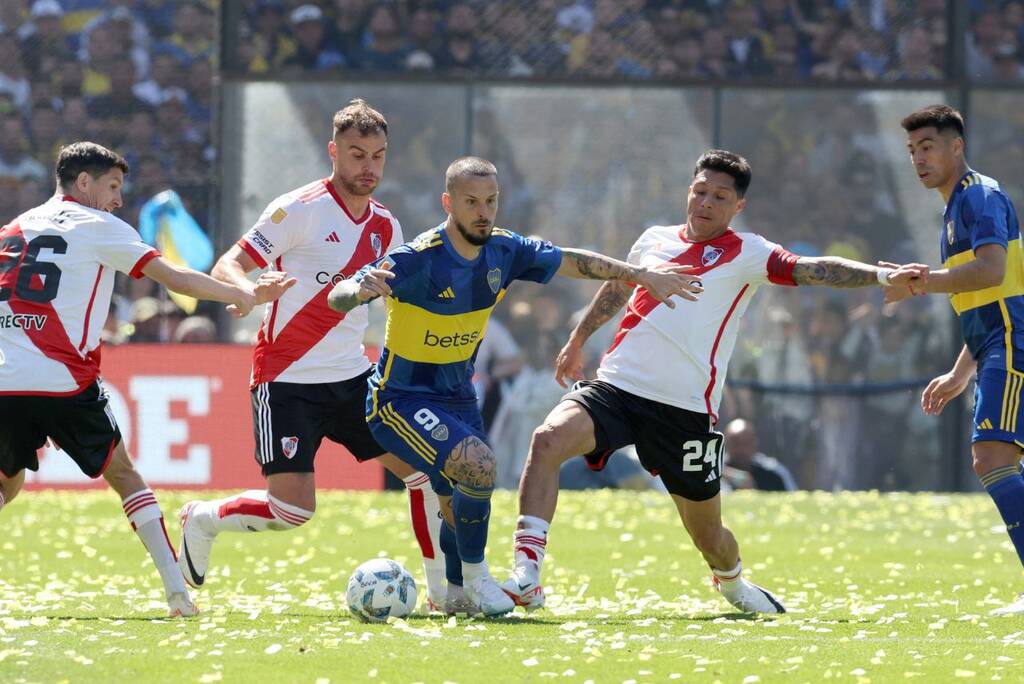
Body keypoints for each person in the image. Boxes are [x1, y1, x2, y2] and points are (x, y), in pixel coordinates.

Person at [503, 149, 924, 615]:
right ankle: (527, 575)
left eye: (719, 196)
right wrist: (578, 338)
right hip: (617, 387)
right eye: (700, 191)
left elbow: (815, 268)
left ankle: (734, 583)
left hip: (683, 411)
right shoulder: (653, 239)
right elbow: (619, 287)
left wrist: (883, 274)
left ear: (736, 206)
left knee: (709, 536)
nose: (705, 202)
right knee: (547, 440)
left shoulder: (749, 252)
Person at [326, 156, 702, 616]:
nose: (483, 212)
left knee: (455, 498)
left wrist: (640, 275)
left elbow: (570, 260)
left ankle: (456, 593)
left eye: (490, 201)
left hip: (458, 398)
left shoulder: (504, 250)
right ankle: (481, 580)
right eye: (470, 202)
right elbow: (337, 295)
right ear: (449, 203)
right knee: (480, 466)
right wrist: (359, 288)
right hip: (399, 399)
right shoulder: (418, 259)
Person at [177, 99, 450, 612]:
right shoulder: (296, 210)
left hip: (353, 379)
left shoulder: (386, 227)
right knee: (293, 511)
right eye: (356, 155)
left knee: (426, 473)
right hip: (286, 379)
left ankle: (442, 594)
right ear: (333, 152)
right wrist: (251, 290)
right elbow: (227, 265)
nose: (367, 168)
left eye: (377, 156)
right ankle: (204, 518)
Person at [0, 141, 289, 618]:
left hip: (7, 379)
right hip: (63, 380)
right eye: (112, 187)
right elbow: (175, 278)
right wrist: (242, 293)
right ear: (84, 183)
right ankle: (178, 596)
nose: (117, 199)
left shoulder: (14, 228)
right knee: (126, 476)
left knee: (7, 483)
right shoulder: (100, 226)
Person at [885, 105, 1024, 615]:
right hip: (996, 343)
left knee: (991, 458)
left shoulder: (979, 197)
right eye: (913, 150)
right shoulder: (954, 209)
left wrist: (919, 283)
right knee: (998, 460)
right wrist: (959, 372)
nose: (919, 158)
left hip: (1014, 342)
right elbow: (984, 300)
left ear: (956, 146)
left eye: (928, 146)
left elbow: (991, 272)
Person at [721, 418, 797, 492]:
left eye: (746, 443)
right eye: (735, 443)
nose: (741, 449)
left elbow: (792, 496)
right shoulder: (714, 470)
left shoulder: (774, 472)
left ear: (755, 443)